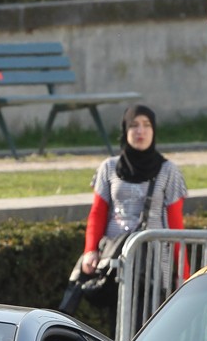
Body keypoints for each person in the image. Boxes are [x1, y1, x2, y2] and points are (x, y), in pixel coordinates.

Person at [58, 104, 187, 320]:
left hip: (154, 261)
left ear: (154, 131)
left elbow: (176, 225)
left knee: (150, 321)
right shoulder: (108, 168)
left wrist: (182, 271)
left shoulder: (168, 170)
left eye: (146, 125)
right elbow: (98, 213)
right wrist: (90, 250)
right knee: (117, 321)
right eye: (134, 125)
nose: (140, 131)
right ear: (125, 131)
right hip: (115, 259)